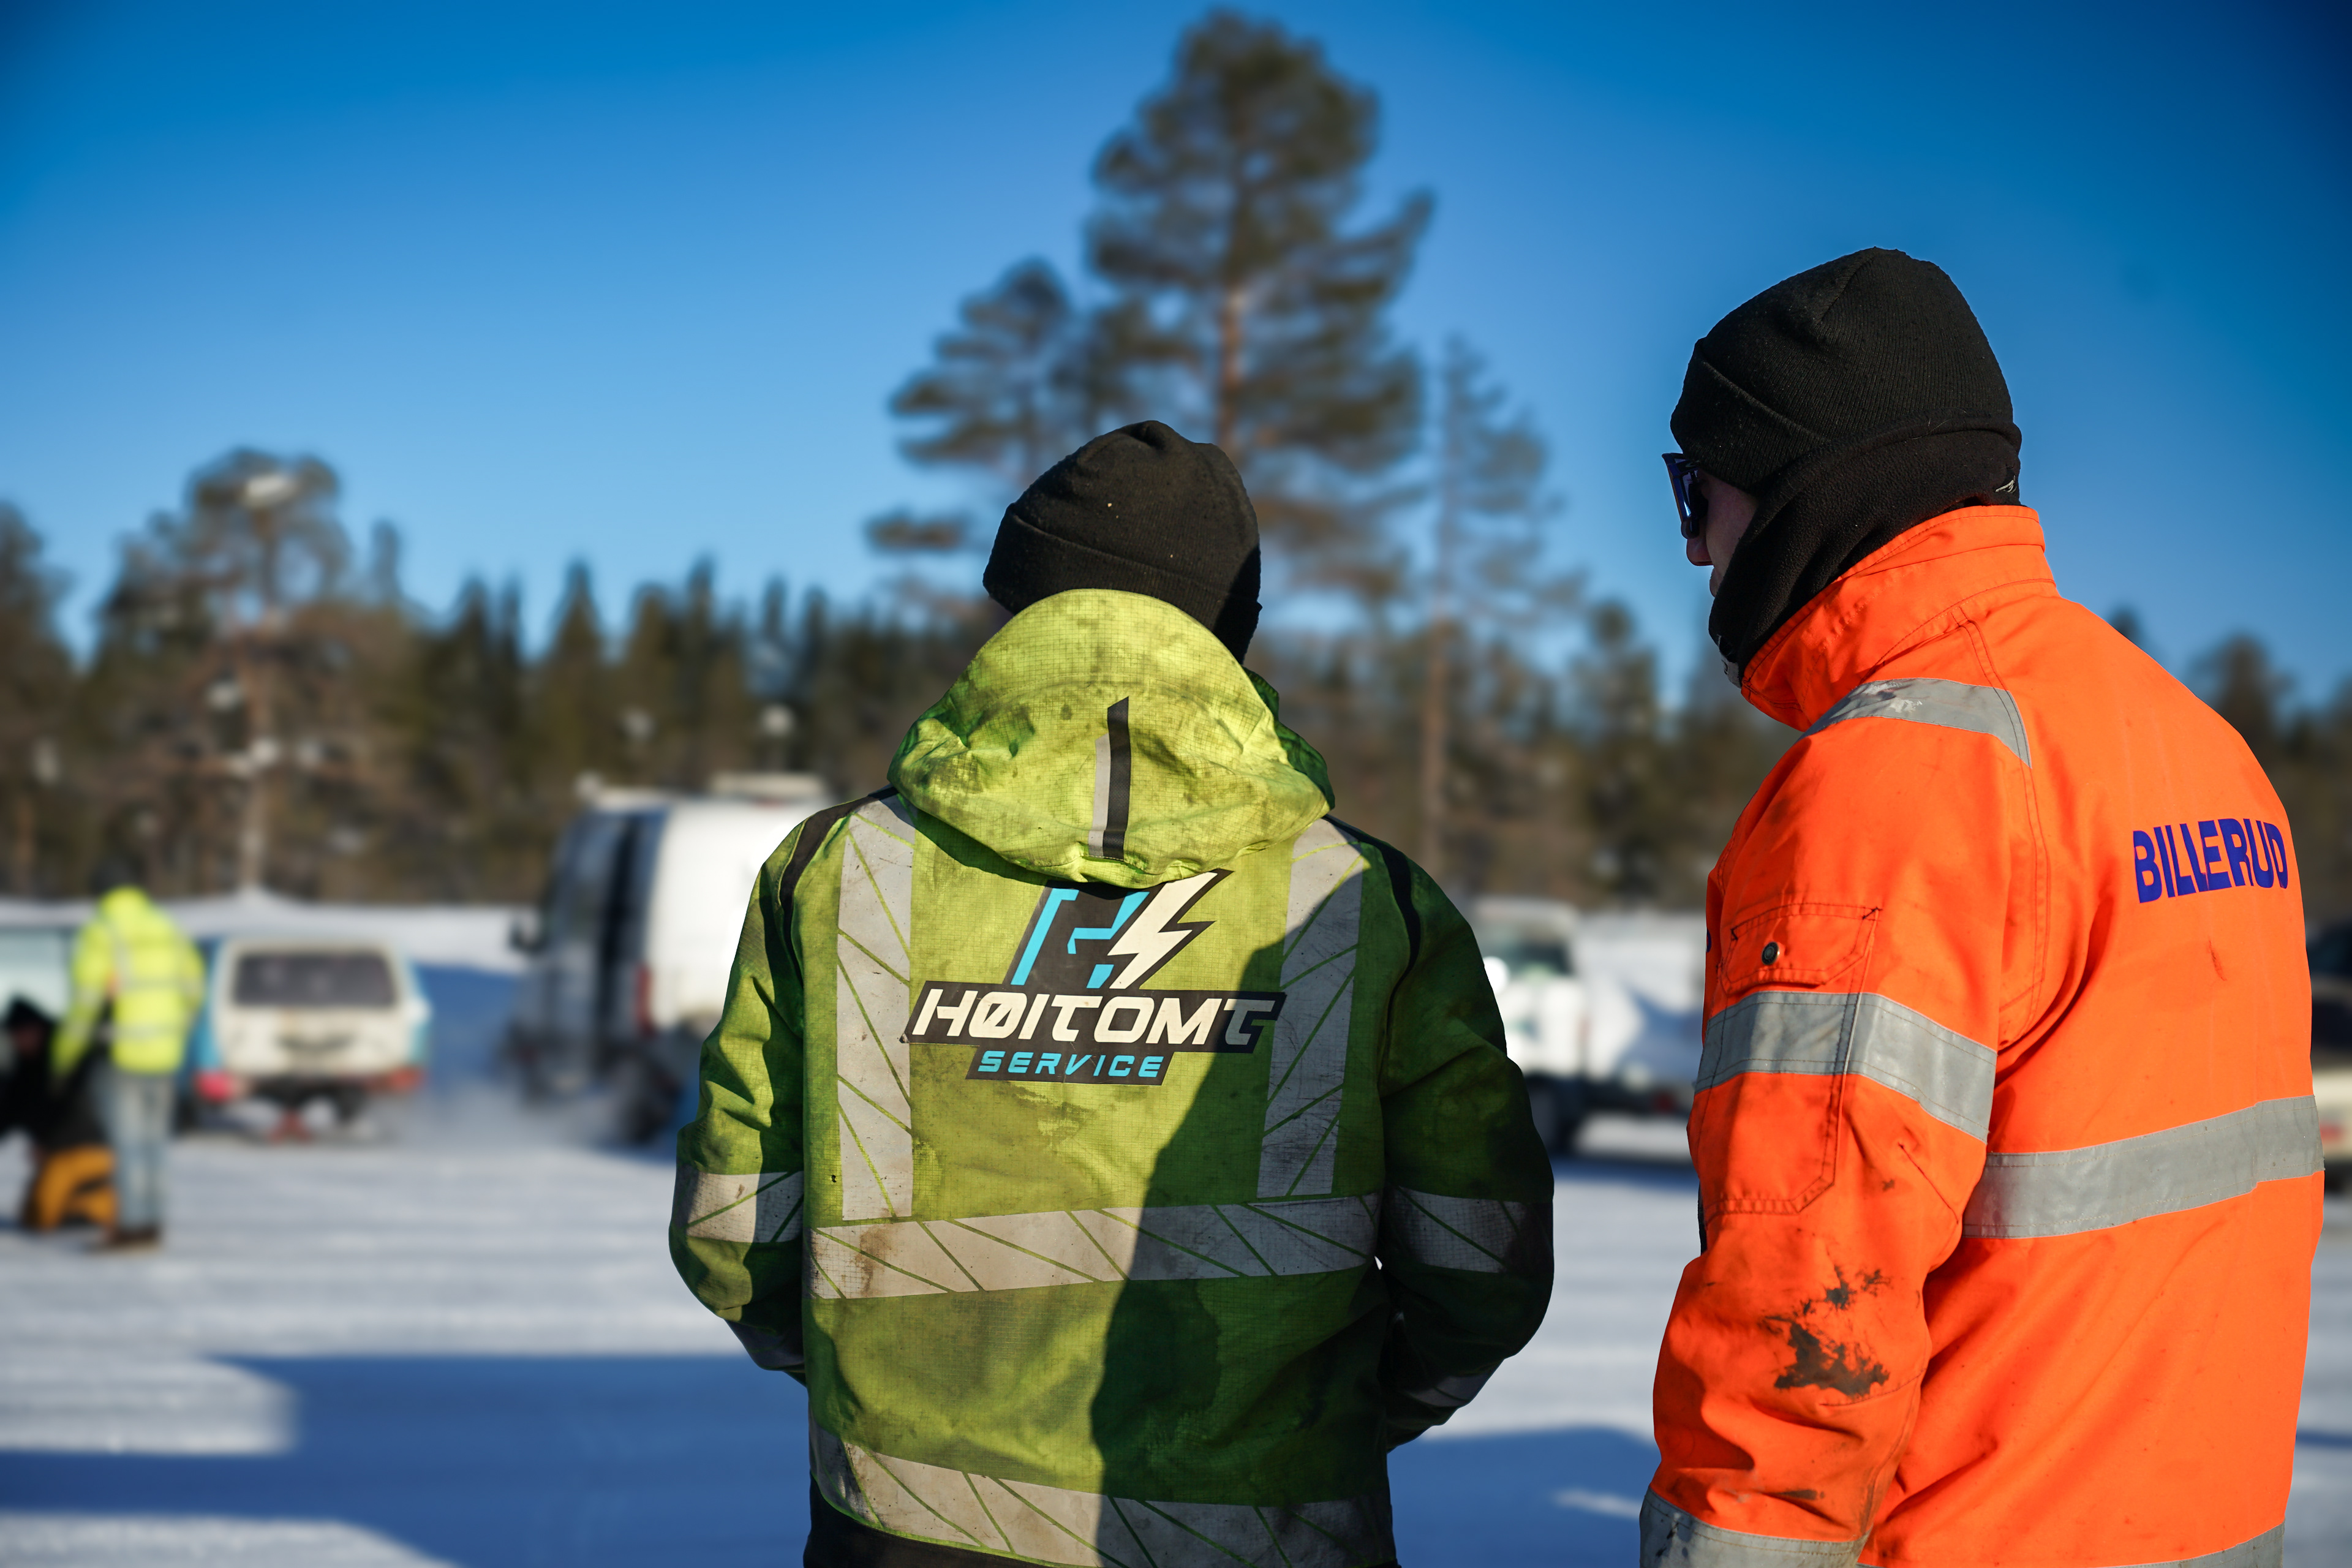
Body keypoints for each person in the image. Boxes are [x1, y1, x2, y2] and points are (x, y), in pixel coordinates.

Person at [672, 421, 1555, 1568]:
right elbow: (1481, 1264)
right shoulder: (1362, 899)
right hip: (1275, 1527)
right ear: (1230, 635)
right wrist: (1338, 1418)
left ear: (1016, 613)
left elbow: (733, 1227)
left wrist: (875, 1389)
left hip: (906, 1526)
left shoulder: (837, 872)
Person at [1643, 249, 2316, 1568]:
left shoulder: (1893, 785)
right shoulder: (2198, 748)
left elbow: (1806, 1311)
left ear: (1804, 488)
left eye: (1696, 491)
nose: (1694, 546)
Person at [53, 876, 206, 1250]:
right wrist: (177, 1032)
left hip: (120, 1052)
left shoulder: (103, 930)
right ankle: (152, 1221)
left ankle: (131, 1226)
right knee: (155, 1142)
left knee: (127, 1144)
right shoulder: (167, 926)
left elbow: (85, 1000)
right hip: (165, 1053)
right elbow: (194, 988)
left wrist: (63, 1055)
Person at [2, 997, 116, 1231]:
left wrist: (48, 1144)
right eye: (16, 1036)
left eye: (24, 1033)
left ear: (39, 1028)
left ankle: (97, 1203)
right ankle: (79, 1203)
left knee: (43, 1216)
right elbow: (8, 1112)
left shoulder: (66, 1055)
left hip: (89, 1146)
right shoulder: (26, 1069)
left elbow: (72, 1105)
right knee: (31, 1215)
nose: (21, 1041)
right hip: (57, 1154)